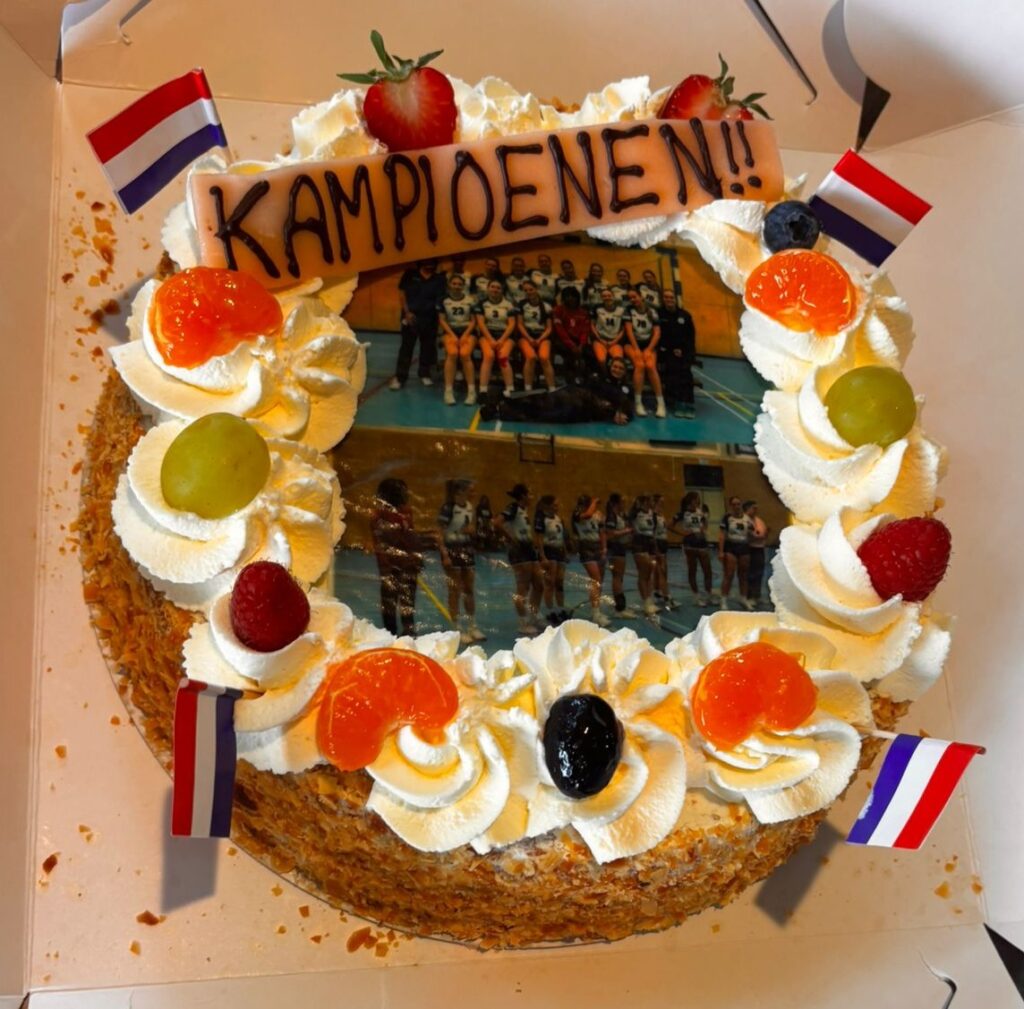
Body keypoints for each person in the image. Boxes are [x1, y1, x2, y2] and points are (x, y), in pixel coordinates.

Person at [484, 356, 633, 424]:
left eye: (621, 368)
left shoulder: (625, 389)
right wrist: (612, 412)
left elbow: (628, 410)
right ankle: (503, 397)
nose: (617, 370)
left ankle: (500, 409)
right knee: (540, 399)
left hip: (580, 412)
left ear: (625, 372)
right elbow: (590, 394)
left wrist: (617, 414)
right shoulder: (599, 378)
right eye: (615, 366)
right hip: (574, 397)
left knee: (541, 414)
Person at [370, 477, 423, 636]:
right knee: (389, 603)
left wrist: (416, 557)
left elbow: (411, 536)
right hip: (390, 566)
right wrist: (386, 566)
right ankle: (390, 635)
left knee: (408, 601)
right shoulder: (378, 516)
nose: (407, 495)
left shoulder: (406, 512)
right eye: (403, 492)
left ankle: (408, 632)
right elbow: (381, 543)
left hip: (408, 565)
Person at [438, 479, 486, 646]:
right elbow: (439, 533)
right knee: (455, 590)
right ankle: (457, 628)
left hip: (467, 551)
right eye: (471, 490)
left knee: (469, 589)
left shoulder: (470, 507)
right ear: (460, 492)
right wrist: (445, 554)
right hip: (452, 551)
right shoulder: (448, 508)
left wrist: (471, 531)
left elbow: (468, 527)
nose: (474, 493)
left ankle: (472, 626)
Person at [390, 259, 446, 390]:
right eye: (427, 262)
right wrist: (407, 312)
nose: (429, 265)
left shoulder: (439, 279)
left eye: (432, 262)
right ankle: (400, 377)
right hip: (411, 317)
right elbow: (402, 293)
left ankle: (424, 374)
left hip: (430, 318)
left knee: (427, 347)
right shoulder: (410, 275)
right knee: (406, 348)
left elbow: (440, 299)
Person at [496, 483, 543, 634]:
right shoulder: (513, 508)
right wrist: (510, 538)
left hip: (529, 551)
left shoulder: (524, 510)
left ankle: (534, 616)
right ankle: (523, 623)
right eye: (530, 494)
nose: (532, 497)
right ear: (523, 496)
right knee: (523, 587)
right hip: (519, 552)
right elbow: (497, 522)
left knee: (539, 585)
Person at [624, 288, 666, 418]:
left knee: (650, 366)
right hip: (631, 344)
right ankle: (638, 402)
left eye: (634, 296)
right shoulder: (628, 310)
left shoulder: (652, 311)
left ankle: (661, 403)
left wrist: (648, 349)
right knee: (640, 365)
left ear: (641, 296)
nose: (633, 299)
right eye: (630, 298)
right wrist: (637, 349)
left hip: (648, 345)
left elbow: (657, 333)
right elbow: (629, 332)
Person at [438, 273, 478, 406]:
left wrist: (465, 335)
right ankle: (448, 391)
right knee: (452, 353)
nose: (457, 286)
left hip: (468, 331)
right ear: (449, 285)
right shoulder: (443, 300)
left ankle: (471, 391)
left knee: (465, 354)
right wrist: (453, 335)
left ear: (463, 286)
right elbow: (442, 320)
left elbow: (473, 321)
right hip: (450, 331)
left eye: (459, 284)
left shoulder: (470, 300)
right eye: (454, 283)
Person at [657, 287, 697, 418]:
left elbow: (690, 337)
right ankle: (678, 403)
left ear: (675, 299)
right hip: (666, 352)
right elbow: (658, 336)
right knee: (673, 372)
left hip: (683, 352)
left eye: (671, 297)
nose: (669, 299)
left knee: (687, 374)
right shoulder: (659, 315)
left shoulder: (685, 315)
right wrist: (670, 350)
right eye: (666, 297)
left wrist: (685, 352)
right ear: (663, 299)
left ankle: (689, 403)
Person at [475, 279, 518, 397]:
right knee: (489, 355)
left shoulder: (508, 304)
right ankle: (483, 390)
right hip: (487, 335)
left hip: (505, 335)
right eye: (492, 287)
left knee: (503, 357)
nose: (495, 289)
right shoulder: (482, 304)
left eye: (498, 288)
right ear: (488, 288)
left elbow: (512, 324)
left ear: (502, 290)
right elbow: (481, 324)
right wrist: (491, 339)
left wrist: (501, 340)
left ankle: (510, 389)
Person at [672, 491, 714, 605]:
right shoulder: (683, 513)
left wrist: (703, 530)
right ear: (691, 501)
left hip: (702, 543)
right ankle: (696, 596)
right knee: (692, 570)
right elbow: (670, 525)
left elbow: (705, 524)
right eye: (696, 499)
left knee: (708, 570)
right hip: (690, 545)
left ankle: (709, 595)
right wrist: (683, 533)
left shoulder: (700, 513)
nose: (698, 501)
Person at [573, 495, 609, 626]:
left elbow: (602, 531)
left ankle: (596, 610)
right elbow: (587, 515)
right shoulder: (578, 514)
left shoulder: (597, 514)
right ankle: (595, 614)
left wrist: (604, 548)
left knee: (599, 581)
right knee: (595, 579)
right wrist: (594, 502)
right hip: (586, 549)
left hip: (597, 547)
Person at [516, 280, 556, 392]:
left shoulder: (546, 306)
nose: (528, 292)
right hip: (526, 336)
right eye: (526, 290)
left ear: (536, 289)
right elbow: (519, 324)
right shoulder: (521, 304)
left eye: (531, 289)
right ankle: (528, 389)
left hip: (542, 336)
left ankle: (552, 389)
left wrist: (539, 339)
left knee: (544, 357)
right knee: (531, 357)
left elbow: (549, 328)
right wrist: (529, 338)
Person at [534, 495, 569, 624]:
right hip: (549, 551)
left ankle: (561, 609)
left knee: (559, 582)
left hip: (559, 552)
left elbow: (562, 537)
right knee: (550, 583)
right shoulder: (542, 519)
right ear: (548, 506)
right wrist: (542, 556)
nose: (557, 507)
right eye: (554, 505)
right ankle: (550, 611)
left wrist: (565, 552)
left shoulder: (558, 518)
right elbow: (539, 539)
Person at [719, 495, 754, 610]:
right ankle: (723, 600)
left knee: (743, 575)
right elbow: (722, 535)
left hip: (743, 547)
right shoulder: (727, 518)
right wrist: (721, 551)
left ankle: (743, 598)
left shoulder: (747, 518)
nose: (736, 506)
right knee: (729, 574)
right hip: (731, 547)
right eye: (734, 504)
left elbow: (752, 532)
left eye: (738, 504)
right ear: (730, 506)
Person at [604, 492, 636, 618]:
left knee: (619, 578)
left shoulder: (620, 516)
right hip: (615, 549)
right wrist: (627, 531)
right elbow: (610, 534)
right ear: (616, 503)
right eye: (622, 502)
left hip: (620, 549)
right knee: (617, 577)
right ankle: (620, 608)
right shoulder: (611, 516)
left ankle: (621, 606)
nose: (624, 505)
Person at [552, 286, 590, 384]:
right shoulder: (558, 310)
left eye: (573, 296)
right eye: (567, 296)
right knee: (569, 354)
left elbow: (585, 330)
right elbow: (560, 330)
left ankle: (586, 380)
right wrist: (571, 345)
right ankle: (569, 380)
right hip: (563, 341)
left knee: (589, 353)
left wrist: (581, 345)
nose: (570, 299)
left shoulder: (583, 312)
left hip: (579, 341)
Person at [629, 494, 657, 617]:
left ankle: (649, 599)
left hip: (650, 544)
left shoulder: (652, 513)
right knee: (643, 572)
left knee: (650, 572)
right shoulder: (636, 513)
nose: (652, 503)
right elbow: (630, 523)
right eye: (650, 501)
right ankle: (645, 601)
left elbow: (654, 529)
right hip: (639, 543)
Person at [590, 287, 627, 374]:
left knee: (618, 362)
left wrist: (614, 341)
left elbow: (623, 329)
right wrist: (600, 339)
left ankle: (616, 379)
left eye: (609, 295)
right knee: (601, 360)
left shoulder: (621, 310)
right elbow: (592, 325)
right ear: (601, 298)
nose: (607, 297)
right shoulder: (597, 308)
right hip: (600, 339)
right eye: (604, 296)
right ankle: (606, 377)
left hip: (615, 340)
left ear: (613, 296)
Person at [652, 493, 676, 610]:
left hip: (663, 543)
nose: (663, 503)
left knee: (659, 570)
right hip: (657, 543)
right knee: (661, 570)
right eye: (661, 501)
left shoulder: (661, 514)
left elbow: (666, 527)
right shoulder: (653, 515)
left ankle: (657, 591)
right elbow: (652, 533)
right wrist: (655, 548)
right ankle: (667, 596)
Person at [744, 500, 770, 608]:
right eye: (753, 508)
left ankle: (757, 595)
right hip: (750, 549)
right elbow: (751, 535)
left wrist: (765, 534)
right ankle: (749, 596)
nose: (756, 510)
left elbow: (762, 534)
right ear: (747, 509)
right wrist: (759, 536)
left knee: (759, 573)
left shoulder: (759, 520)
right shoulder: (745, 520)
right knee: (750, 574)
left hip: (760, 548)